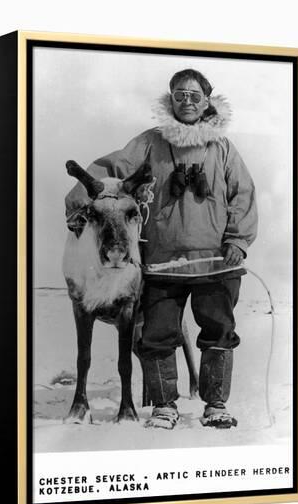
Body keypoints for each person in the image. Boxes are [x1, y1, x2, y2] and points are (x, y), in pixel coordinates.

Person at [65, 68, 258, 430]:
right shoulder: (149, 143)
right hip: (161, 263)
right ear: (171, 99)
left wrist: (237, 240)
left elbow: (242, 195)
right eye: (180, 95)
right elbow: (109, 166)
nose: (187, 102)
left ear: (207, 100)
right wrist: (77, 203)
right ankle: (164, 406)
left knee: (218, 332)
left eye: (194, 96)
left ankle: (215, 405)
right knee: (157, 335)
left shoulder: (224, 148)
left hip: (216, 263)